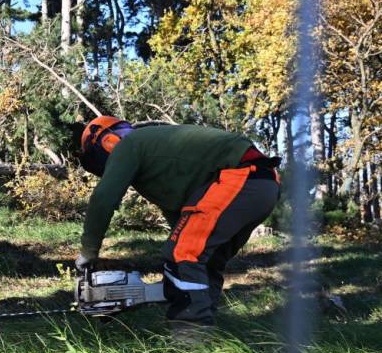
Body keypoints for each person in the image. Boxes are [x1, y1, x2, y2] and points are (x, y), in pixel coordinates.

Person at [74, 116, 280, 328]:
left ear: (106, 142)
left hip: (239, 176)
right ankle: (208, 332)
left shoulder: (128, 145)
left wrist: (88, 253)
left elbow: (103, 198)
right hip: (264, 183)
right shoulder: (157, 158)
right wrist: (173, 280)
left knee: (183, 254)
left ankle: (189, 339)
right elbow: (181, 219)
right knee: (206, 262)